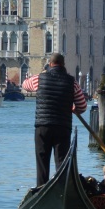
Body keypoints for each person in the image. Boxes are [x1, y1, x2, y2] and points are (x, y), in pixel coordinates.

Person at [21, 53, 88, 186]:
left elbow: (25, 84)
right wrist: (74, 109)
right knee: (62, 163)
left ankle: (41, 189)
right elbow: (83, 106)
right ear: (63, 65)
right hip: (62, 127)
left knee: (42, 163)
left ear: (50, 64)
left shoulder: (39, 79)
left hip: (42, 127)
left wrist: (44, 72)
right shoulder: (72, 82)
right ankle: (61, 191)